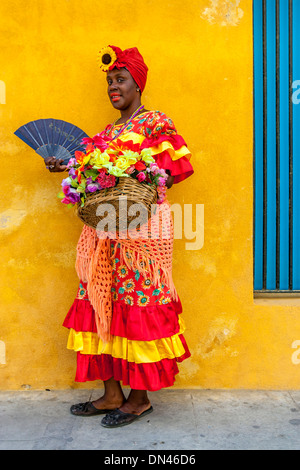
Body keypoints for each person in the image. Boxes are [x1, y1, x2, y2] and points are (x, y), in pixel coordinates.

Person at [45, 45, 194, 428]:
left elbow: (170, 174)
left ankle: (139, 400)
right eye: (109, 81)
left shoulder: (156, 124)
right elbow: (92, 175)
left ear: (137, 84)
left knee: (136, 307)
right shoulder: (107, 133)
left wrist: (135, 174)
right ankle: (112, 394)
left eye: (120, 80)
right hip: (104, 233)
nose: (113, 87)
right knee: (97, 303)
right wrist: (69, 167)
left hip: (142, 236)